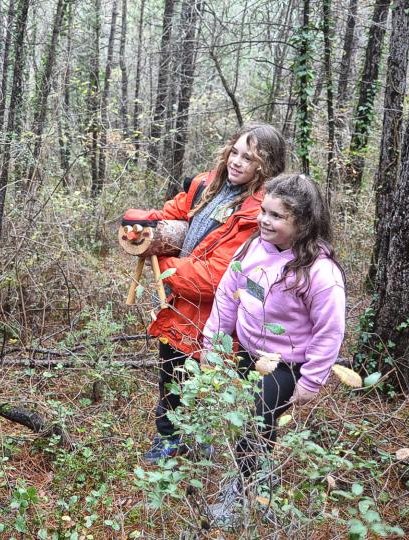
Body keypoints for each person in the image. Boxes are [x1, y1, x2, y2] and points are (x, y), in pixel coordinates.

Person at [121, 123, 287, 463]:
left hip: (219, 315)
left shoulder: (258, 214)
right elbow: (172, 216)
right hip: (179, 305)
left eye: (249, 158)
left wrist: (163, 263)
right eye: (235, 152)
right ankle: (167, 439)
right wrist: (144, 227)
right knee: (170, 375)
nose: (237, 162)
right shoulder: (206, 185)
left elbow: (215, 277)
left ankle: (200, 442)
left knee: (208, 380)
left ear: (265, 166)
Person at [201, 173, 346, 525]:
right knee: (242, 421)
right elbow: (227, 295)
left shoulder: (318, 272)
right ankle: (258, 479)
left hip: (286, 364)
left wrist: (311, 382)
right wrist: (214, 344)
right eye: (264, 211)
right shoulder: (251, 248)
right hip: (247, 354)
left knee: (256, 423)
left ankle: (244, 496)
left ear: (304, 222)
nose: (265, 220)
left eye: (277, 216)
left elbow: (330, 331)